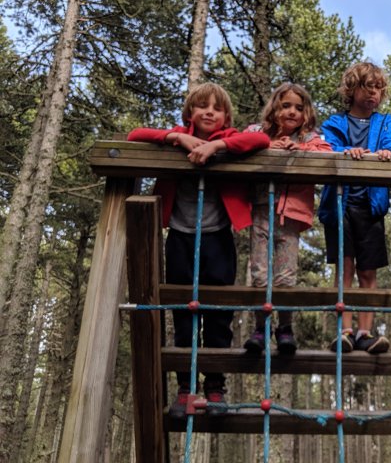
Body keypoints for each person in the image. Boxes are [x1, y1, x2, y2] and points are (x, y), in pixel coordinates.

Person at [127, 82, 271, 418]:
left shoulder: (231, 138)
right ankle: (185, 389)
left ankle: (215, 387)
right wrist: (176, 139)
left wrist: (217, 145)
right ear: (190, 112)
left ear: (226, 117)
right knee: (184, 313)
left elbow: (261, 141)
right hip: (180, 237)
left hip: (218, 239)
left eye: (217, 108)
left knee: (219, 314)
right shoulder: (178, 136)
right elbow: (135, 135)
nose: (209, 112)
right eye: (202, 106)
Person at [318, 62, 391, 354]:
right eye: (368, 87)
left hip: (371, 205)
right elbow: (327, 146)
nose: (374, 94)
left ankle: (365, 332)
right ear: (352, 89)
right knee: (345, 268)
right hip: (340, 205)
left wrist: (388, 150)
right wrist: (347, 151)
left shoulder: (384, 121)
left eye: (379, 89)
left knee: (368, 272)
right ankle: (344, 331)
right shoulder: (336, 122)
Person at [242, 82, 332, 355]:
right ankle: (261, 328)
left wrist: (299, 150)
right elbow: (241, 143)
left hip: (290, 215)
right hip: (261, 209)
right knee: (259, 273)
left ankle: (285, 328)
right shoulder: (258, 132)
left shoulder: (309, 139)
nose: (292, 112)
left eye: (299, 108)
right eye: (286, 106)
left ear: (306, 114)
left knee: (286, 275)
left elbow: (326, 154)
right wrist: (270, 146)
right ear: (274, 109)